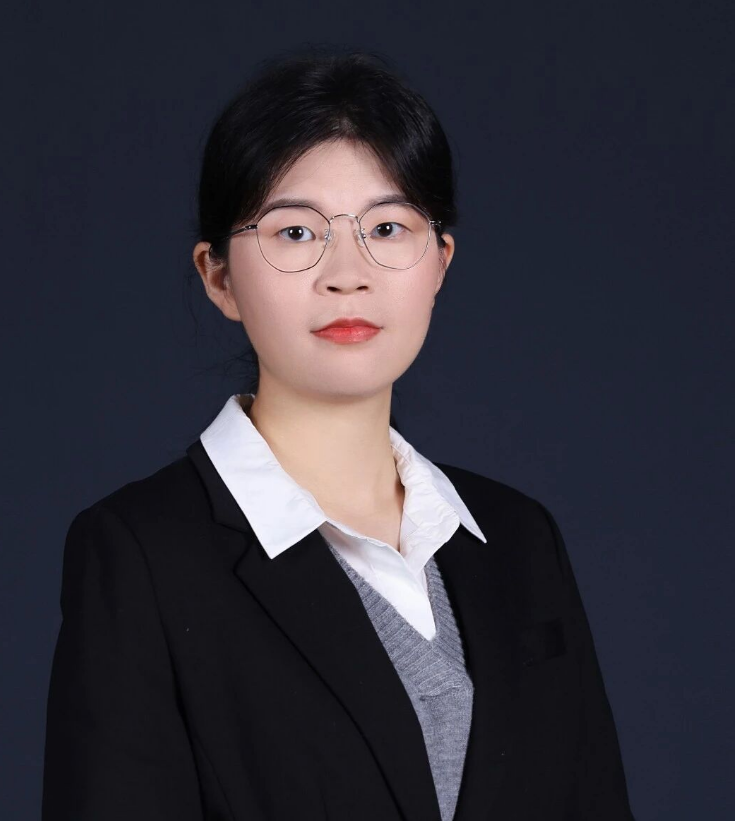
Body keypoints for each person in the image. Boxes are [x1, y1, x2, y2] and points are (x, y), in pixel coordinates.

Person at [41, 49, 635, 821]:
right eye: (296, 232)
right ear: (218, 275)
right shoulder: (141, 555)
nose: (347, 272)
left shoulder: (519, 539)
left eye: (387, 227)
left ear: (440, 262)